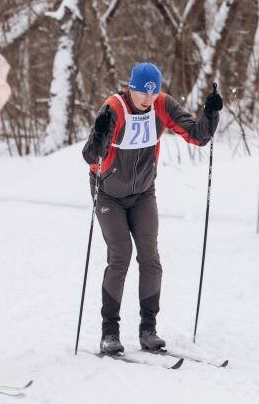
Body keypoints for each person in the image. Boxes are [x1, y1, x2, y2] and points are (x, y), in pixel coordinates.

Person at [82, 62, 221, 355]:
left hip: (143, 193)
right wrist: (99, 133)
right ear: (130, 87)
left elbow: (198, 136)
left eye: (153, 92)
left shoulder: (162, 105)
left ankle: (148, 330)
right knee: (120, 257)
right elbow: (91, 155)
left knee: (151, 258)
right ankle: (110, 333)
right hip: (109, 194)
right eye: (141, 92)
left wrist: (211, 113)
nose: (147, 99)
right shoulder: (114, 108)